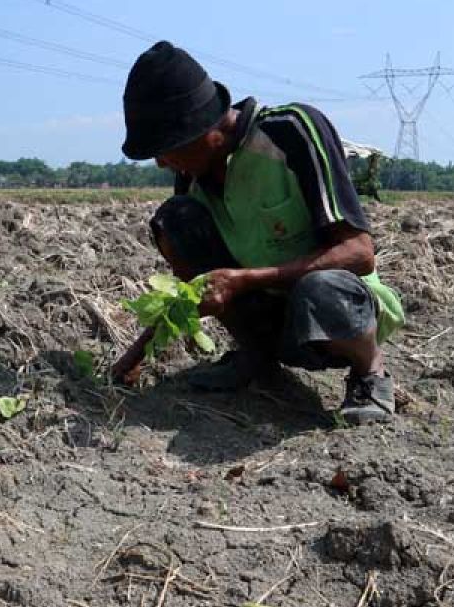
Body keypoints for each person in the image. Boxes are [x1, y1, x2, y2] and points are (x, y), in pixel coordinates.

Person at [110, 41, 404, 425]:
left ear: (209, 129)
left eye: (168, 149)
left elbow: (359, 252)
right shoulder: (193, 176)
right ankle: (256, 357)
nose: (162, 162)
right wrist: (136, 355)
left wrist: (246, 279)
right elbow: (194, 287)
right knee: (174, 221)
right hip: (265, 314)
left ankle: (370, 373)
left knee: (321, 289)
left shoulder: (291, 131)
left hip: (339, 312)